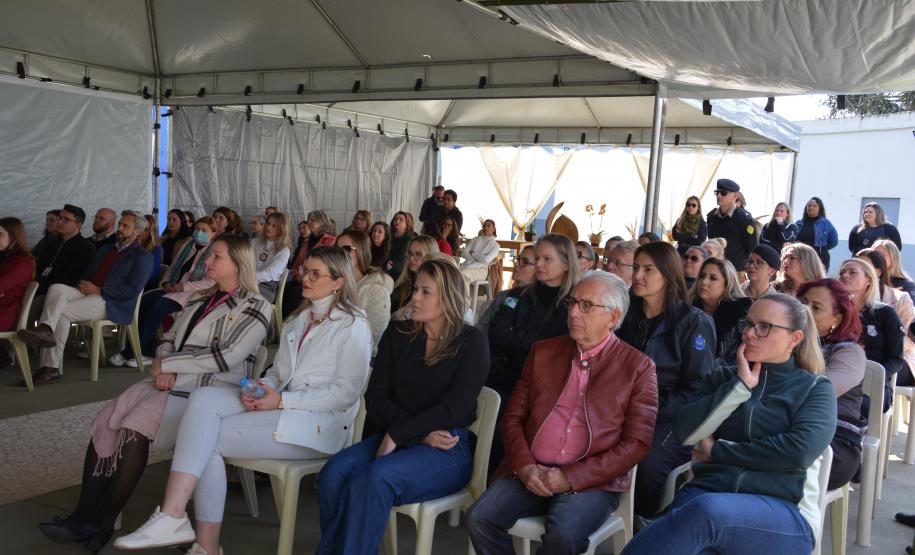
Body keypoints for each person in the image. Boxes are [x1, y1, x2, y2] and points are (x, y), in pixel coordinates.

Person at [114, 246, 369, 555]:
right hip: (283, 409)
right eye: (306, 271)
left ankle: (196, 536)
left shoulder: (353, 324)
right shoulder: (299, 319)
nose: (306, 278)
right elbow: (279, 372)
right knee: (206, 399)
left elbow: (346, 393)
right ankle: (175, 516)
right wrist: (263, 387)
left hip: (320, 425)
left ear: (339, 282)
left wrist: (281, 402)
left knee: (205, 439)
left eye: (317, 274)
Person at [38, 235, 271, 554]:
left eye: (217, 256)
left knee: (133, 427)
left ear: (238, 264)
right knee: (108, 418)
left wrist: (171, 365)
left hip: (210, 391)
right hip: (174, 381)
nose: (209, 262)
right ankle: (84, 516)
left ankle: (103, 523)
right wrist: (164, 361)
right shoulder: (203, 298)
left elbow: (226, 356)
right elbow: (170, 336)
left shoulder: (257, 306)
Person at [621, 294, 836, 555]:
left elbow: (796, 453)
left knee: (706, 512)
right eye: (748, 324)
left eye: (764, 327)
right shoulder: (723, 377)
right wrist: (739, 388)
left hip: (781, 511)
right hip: (706, 495)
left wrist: (718, 452)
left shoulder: (814, 389)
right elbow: (686, 433)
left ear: (795, 338)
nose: (749, 334)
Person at [465, 271, 659, 554]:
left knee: (564, 535)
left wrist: (571, 477)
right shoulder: (544, 352)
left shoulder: (638, 367)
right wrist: (524, 465)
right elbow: (513, 417)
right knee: (480, 517)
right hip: (532, 468)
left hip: (592, 480)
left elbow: (637, 444)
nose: (573, 312)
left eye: (587, 306)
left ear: (613, 317)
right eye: (572, 302)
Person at [315, 258, 488, 554]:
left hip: (447, 446)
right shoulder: (398, 335)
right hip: (400, 437)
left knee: (375, 479)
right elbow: (376, 398)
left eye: (426, 292)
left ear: (448, 297)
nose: (415, 298)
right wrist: (414, 434)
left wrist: (400, 434)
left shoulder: (472, 341)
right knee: (333, 475)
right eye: (415, 289)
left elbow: (454, 409)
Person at [615, 241, 716, 517]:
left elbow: (698, 390)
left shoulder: (694, 322)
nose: (638, 276)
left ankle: (642, 522)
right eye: (636, 267)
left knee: (646, 468)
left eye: (649, 269)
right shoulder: (624, 316)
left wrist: (648, 408)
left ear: (669, 274)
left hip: (671, 416)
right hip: (620, 408)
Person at [18, 211, 154, 386]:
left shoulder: (143, 257)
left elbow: (132, 290)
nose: (119, 228)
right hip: (89, 291)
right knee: (57, 288)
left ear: (137, 232)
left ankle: (50, 368)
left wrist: (100, 289)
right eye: (120, 224)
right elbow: (89, 272)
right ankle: (45, 329)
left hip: (111, 301)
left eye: (125, 226)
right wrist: (83, 283)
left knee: (63, 313)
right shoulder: (107, 249)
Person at [487, 234, 580, 472]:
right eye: (537, 258)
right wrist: (532, 344)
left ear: (566, 263)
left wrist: (516, 340)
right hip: (503, 375)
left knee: (502, 426)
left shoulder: (572, 304)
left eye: (546, 259)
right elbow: (496, 332)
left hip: (542, 386)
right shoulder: (519, 295)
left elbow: (556, 349)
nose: (538, 264)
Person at [111, 218, 218, 368]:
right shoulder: (188, 246)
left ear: (213, 234)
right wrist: (166, 282)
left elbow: (211, 282)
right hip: (173, 289)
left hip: (195, 294)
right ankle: (147, 351)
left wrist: (183, 287)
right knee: (142, 302)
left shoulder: (214, 252)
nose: (199, 233)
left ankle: (130, 352)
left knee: (158, 306)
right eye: (197, 229)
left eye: (204, 231)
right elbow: (172, 267)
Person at [798, 279, 867, 490]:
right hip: (787, 430)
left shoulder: (849, 352)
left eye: (815, 308)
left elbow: (814, 393)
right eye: (802, 302)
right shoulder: (785, 339)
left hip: (833, 445)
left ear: (837, 318)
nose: (804, 311)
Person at [838, 257, 905, 412]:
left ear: (869, 280)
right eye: (842, 272)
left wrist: (871, 377)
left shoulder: (885, 313)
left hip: (873, 386)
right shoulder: (834, 312)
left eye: (852, 272)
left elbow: (896, 360)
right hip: (838, 378)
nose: (845, 275)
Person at [857, 249, 915, 385]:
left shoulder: (900, 299)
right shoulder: (847, 300)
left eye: (863, 266)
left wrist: (880, 348)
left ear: (877, 272)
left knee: (870, 373)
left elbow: (908, 339)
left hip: (898, 359)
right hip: (860, 357)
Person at [31, 205, 97, 321]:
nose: (60, 222)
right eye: (60, 218)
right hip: (39, 288)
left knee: (35, 304)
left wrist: (41, 289)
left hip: (62, 293)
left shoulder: (86, 248)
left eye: (66, 220)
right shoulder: (50, 243)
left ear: (78, 224)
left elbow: (72, 279)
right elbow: (39, 268)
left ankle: (24, 337)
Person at [336, 230, 393, 354]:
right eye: (336, 250)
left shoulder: (377, 290)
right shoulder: (335, 281)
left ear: (361, 251)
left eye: (346, 249)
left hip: (357, 354)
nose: (339, 255)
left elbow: (374, 335)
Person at [691, 257, 752, 364]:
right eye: (702, 276)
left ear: (727, 284)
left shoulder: (740, 314)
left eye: (713, 278)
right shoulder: (688, 310)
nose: (704, 282)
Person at [283, 210, 337, 319]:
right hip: (300, 279)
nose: (309, 223)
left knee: (295, 292)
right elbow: (296, 263)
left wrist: (308, 277)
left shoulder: (331, 241)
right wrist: (296, 276)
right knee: (286, 287)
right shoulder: (305, 242)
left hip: (317, 281)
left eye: (313, 220)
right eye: (308, 220)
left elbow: (329, 266)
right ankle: (284, 321)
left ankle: (295, 320)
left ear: (322, 222)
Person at [477, 245, 534, 333]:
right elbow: (481, 327)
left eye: (524, 262)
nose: (516, 264)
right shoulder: (502, 296)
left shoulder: (538, 304)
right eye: (518, 259)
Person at [706, 178, 758, 271]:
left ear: (735, 196)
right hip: (715, 269)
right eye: (717, 192)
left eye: (723, 193)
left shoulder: (744, 218)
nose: (718, 195)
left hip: (736, 271)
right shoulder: (711, 217)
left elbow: (752, 247)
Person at [0, 218, 36, 332]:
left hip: (4, 315)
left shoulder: (23, 263)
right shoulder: (6, 259)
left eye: (0, 234)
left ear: (14, 237)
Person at [390, 235, 439, 314]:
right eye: (409, 253)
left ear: (431, 256)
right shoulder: (401, 281)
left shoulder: (433, 291)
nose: (411, 258)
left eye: (418, 254)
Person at [251, 212, 292, 303]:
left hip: (267, 285)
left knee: (254, 301)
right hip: (249, 279)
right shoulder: (254, 242)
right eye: (268, 223)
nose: (269, 228)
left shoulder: (284, 250)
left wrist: (250, 279)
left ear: (282, 229)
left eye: (274, 226)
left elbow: (271, 273)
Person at [794, 197, 838, 271]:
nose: (811, 207)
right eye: (809, 205)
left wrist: (822, 249)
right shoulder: (798, 223)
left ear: (819, 209)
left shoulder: (826, 223)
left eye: (814, 206)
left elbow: (834, 241)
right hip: (800, 258)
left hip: (819, 259)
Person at [874, 239, 915, 304]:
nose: (876, 258)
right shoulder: (865, 281)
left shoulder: (906, 285)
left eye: (882, 254)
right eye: (874, 254)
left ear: (893, 258)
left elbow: (910, 312)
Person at [387, 211, 415, 279]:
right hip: (386, 269)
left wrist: (384, 265)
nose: (397, 221)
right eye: (395, 219)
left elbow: (400, 261)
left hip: (399, 274)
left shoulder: (409, 239)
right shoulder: (389, 236)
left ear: (407, 224)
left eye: (401, 220)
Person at [140, 214, 164, 290]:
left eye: (146, 229)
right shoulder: (131, 245)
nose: (141, 232)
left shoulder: (156, 249)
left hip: (143, 287)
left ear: (151, 233)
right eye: (141, 228)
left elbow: (151, 277)